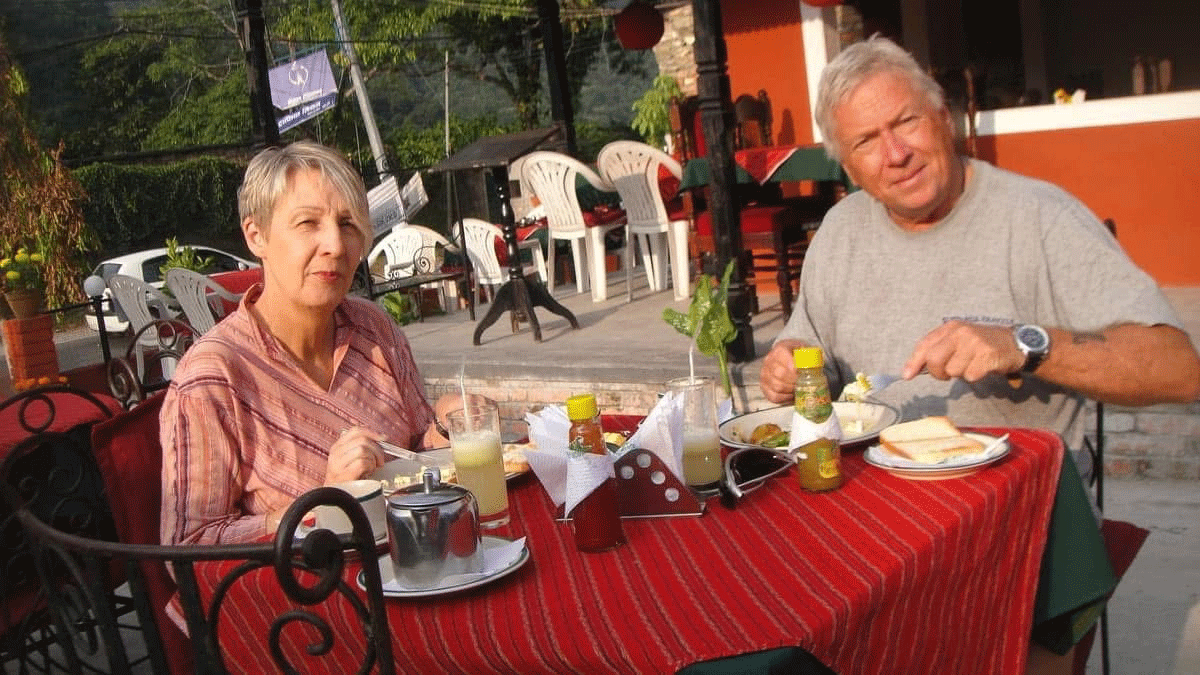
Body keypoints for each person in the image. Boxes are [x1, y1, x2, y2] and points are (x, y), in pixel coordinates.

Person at [760, 36, 1199, 453]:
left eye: (906, 122)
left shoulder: (1041, 217)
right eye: (866, 142)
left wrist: (1023, 346)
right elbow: (804, 348)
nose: (895, 154)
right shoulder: (839, 232)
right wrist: (786, 369)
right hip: (878, 491)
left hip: (1019, 500)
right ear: (850, 169)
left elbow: (1179, 370)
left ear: (944, 120)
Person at [161, 141, 469, 546]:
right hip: (300, 599)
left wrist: (448, 427)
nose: (336, 246)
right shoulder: (214, 378)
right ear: (256, 235)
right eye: (308, 223)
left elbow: (415, 453)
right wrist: (320, 504)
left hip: (411, 560)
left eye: (347, 224)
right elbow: (186, 547)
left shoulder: (374, 330)